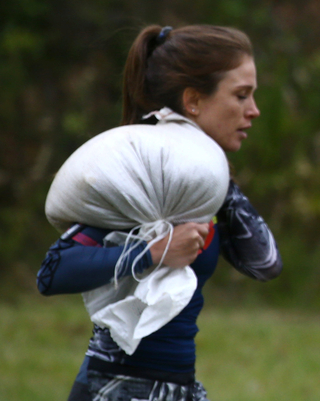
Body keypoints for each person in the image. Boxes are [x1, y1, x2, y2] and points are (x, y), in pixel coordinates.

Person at [37, 24, 282, 401]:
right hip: (115, 388)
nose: (254, 111)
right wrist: (154, 253)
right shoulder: (141, 179)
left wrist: (220, 180)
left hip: (178, 388)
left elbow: (264, 263)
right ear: (194, 101)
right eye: (241, 95)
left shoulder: (202, 186)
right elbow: (53, 271)